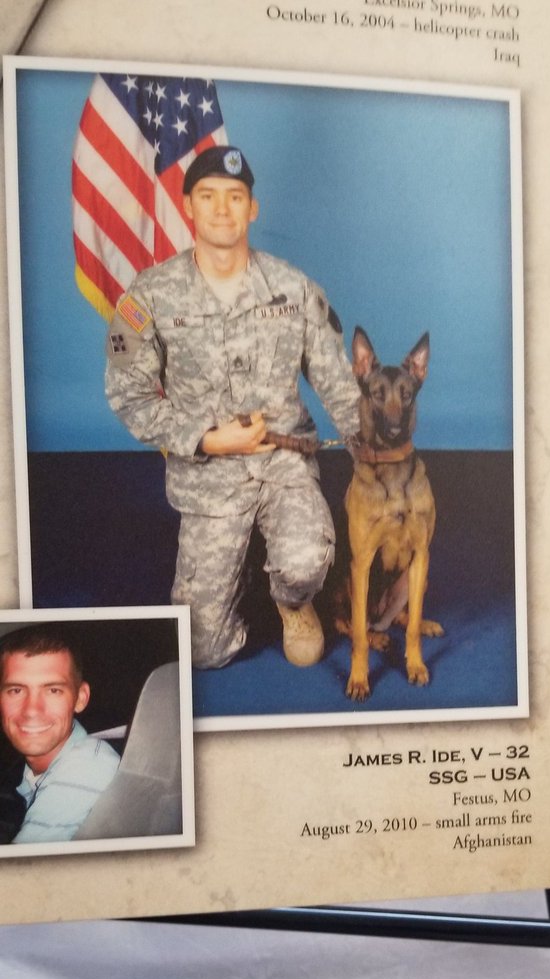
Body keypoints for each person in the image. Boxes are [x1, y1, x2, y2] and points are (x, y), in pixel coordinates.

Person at [106, 145, 361, 669]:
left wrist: (376, 453)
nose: (222, 209)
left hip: (284, 464)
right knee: (201, 653)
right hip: (209, 480)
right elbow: (128, 395)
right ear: (188, 207)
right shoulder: (150, 296)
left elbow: (339, 385)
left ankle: (293, 601)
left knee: (308, 559)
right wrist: (207, 438)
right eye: (208, 196)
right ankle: (234, 579)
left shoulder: (293, 288)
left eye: (235, 196)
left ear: (253, 209)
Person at [0, 625, 120, 844]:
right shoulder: (29, 772)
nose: (31, 710)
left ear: (80, 698)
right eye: (16, 690)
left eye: (53, 690)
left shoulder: (87, 766)